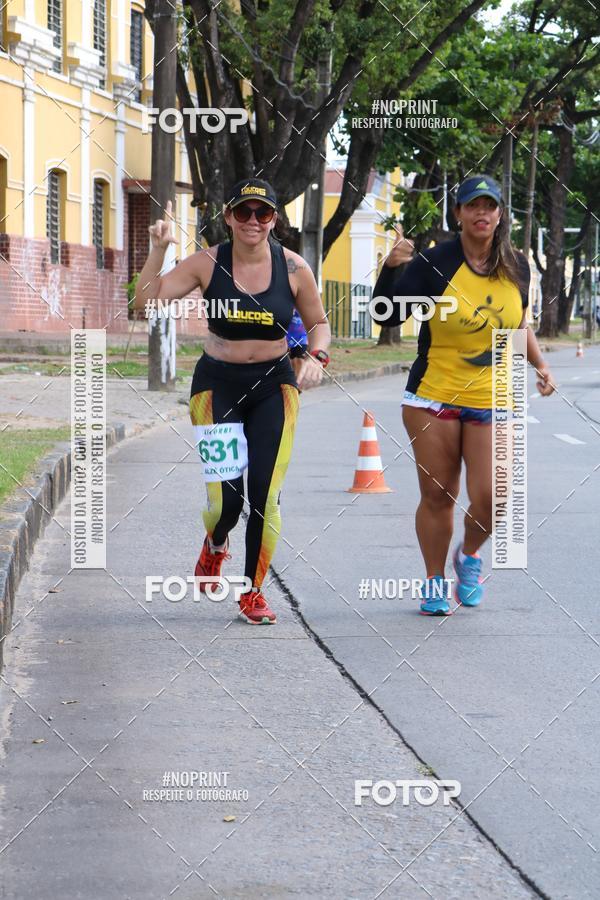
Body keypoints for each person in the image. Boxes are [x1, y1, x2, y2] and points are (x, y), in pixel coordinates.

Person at [134, 178, 331, 624]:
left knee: (265, 494)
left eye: (263, 213)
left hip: (274, 387)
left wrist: (317, 356)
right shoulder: (207, 263)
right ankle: (216, 542)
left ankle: (252, 591)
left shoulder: (295, 267)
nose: (253, 222)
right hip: (217, 385)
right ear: (228, 217)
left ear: (274, 220)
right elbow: (145, 303)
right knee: (226, 502)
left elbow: (318, 323)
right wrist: (159, 251)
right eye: (244, 212)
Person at [372, 175, 555, 615]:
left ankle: (469, 555)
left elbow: (518, 326)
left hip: (495, 395)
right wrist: (392, 267)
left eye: (490, 206)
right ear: (457, 213)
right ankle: (434, 580)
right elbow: (386, 313)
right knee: (439, 495)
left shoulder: (516, 264)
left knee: (497, 494)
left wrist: (540, 364)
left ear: (500, 214)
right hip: (433, 395)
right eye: (473, 205)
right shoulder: (435, 263)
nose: (482, 214)